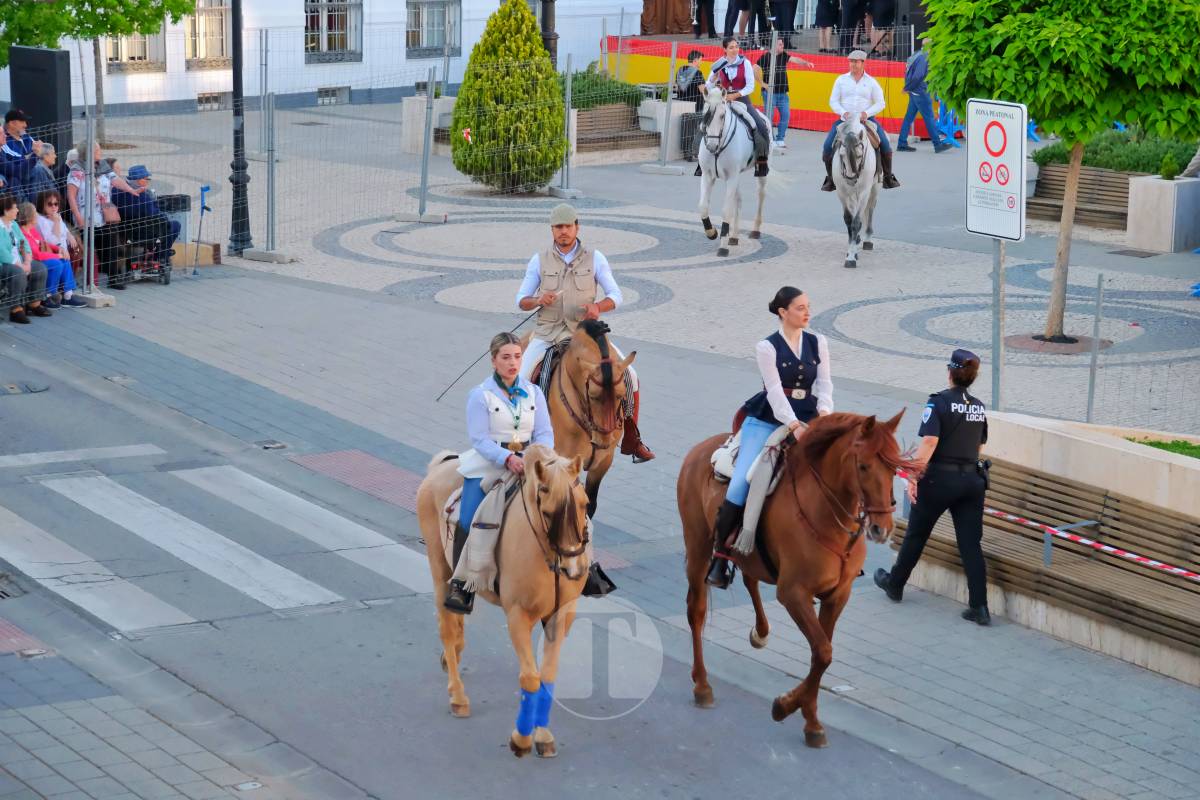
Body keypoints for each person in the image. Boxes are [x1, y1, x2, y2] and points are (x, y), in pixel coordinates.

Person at [706, 286, 833, 588]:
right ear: (783, 312)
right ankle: (721, 557)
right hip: (769, 418)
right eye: (800, 308)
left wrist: (825, 415)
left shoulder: (819, 342)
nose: (807, 313)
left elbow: (825, 384)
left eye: (808, 306)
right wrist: (794, 425)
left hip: (811, 416)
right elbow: (775, 391)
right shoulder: (767, 346)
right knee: (741, 482)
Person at [516, 203, 655, 464]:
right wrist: (537, 300)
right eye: (558, 227)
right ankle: (521, 441)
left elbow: (616, 295)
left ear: (577, 227)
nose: (563, 232)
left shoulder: (596, 258)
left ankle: (631, 439)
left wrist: (598, 306)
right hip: (548, 333)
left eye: (568, 226)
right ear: (552, 230)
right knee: (522, 380)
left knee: (631, 376)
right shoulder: (539, 259)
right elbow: (520, 299)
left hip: (586, 335)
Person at [874, 349, 991, 625]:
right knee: (971, 544)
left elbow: (929, 443)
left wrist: (913, 476)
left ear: (949, 372)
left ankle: (895, 584)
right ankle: (979, 606)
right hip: (971, 482)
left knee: (916, 534)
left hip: (940, 480)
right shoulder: (978, 405)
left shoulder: (937, 403)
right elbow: (980, 444)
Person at [444, 332, 555, 615]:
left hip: (530, 460)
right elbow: (479, 439)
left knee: (570, 499)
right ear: (494, 360)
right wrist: (506, 458)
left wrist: (537, 456)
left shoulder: (534, 392)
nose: (513, 363)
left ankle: (584, 567)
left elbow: (544, 431)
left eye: (517, 357)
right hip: (490, 463)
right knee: (467, 518)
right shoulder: (480, 395)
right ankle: (461, 584)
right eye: (506, 357)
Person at [820, 50, 899, 191]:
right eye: (851, 61)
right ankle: (831, 179)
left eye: (856, 62)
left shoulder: (871, 82)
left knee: (886, 144)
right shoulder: (841, 80)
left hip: (866, 121)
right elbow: (833, 101)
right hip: (845, 121)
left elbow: (881, 103)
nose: (853, 65)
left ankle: (888, 177)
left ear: (863, 63)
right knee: (827, 146)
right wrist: (843, 113)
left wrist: (866, 113)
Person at [700, 37, 772, 178]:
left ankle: (761, 161)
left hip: (742, 100)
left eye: (736, 47)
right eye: (731, 47)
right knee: (705, 123)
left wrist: (736, 95)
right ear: (725, 49)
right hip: (723, 100)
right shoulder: (719, 64)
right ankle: (701, 161)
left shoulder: (745, 63)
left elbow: (750, 86)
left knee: (760, 126)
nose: (735, 50)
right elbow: (708, 84)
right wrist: (712, 80)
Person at [66, 144, 132, 291]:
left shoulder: (103, 167)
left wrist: (130, 189)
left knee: (111, 246)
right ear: (87, 152)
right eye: (96, 150)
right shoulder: (76, 171)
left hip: (104, 215)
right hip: (86, 217)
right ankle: (89, 282)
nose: (99, 153)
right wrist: (77, 216)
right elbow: (71, 196)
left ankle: (113, 278)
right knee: (89, 249)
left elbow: (116, 180)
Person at [113, 165, 181, 267]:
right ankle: (161, 256)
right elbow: (156, 216)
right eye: (146, 179)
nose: (148, 181)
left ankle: (158, 255)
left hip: (127, 233)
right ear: (139, 180)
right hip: (147, 233)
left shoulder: (116, 192)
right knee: (175, 225)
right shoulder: (145, 197)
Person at [755, 37, 814, 149]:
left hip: (783, 93)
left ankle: (780, 139)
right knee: (769, 118)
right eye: (780, 44)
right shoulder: (766, 57)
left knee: (786, 116)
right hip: (770, 94)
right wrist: (762, 84)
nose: (782, 46)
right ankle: (769, 139)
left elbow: (795, 59)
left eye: (782, 44)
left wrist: (806, 63)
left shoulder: (783, 55)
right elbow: (755, 68)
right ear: (773, 45)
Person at [0, 194, 49, 323]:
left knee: (40, 268)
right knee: (17, 273)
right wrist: (20, 265)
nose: (17, 210)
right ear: (6, 211)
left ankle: (34, 304)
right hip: (4, 263)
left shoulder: (14, 225)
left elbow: (25, 243)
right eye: (15, 208)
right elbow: (2, 252)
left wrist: (27, 261)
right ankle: (15, 309)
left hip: (20, 262)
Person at [897, 38, 951, 154]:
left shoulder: (916, 54)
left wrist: (908, 87)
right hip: (920, 92)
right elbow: (918, 76)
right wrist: (908, 88)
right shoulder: (924, 57)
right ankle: (937, 144)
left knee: (909, 118)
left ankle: (901, 143)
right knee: (929, 118)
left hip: (914, 92)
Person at [35, 190, 87, 307]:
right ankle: (49, 294)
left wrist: (70, 235)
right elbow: (52, 241)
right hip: (47, 253)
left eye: (56, 204)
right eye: (50, 204)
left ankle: (68, 295)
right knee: (61, 261)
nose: (54, 207)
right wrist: (57, 223)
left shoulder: (56, 216)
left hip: (60, 252)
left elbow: (65, 230)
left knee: (65, 260)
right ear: (42, 204)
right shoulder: (41, 220)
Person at [18, 202, 68, 310]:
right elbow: (37, 255)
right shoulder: (22, 232)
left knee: (65, 261)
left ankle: (68, 293)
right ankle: (47, 295)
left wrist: (58, 248)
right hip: (33, 260)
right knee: (56, 264)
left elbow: (43, 242)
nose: (37, 215)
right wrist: (57, 256)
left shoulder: (32, 230)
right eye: (35, 213)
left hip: (40, 257)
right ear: (29, 216)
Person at [1, 109, 44, 203]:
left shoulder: (26, 136)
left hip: (27, 175)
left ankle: (46, 205)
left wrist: (33, 155)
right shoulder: (5, 141)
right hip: (17, 179)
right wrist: (34, 154)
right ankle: (34, 209)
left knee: (40, 169)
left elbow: (41, 150)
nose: (26, 125)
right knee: (37, 169)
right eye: (22, 121)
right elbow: (18, 163)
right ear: (12, 123)